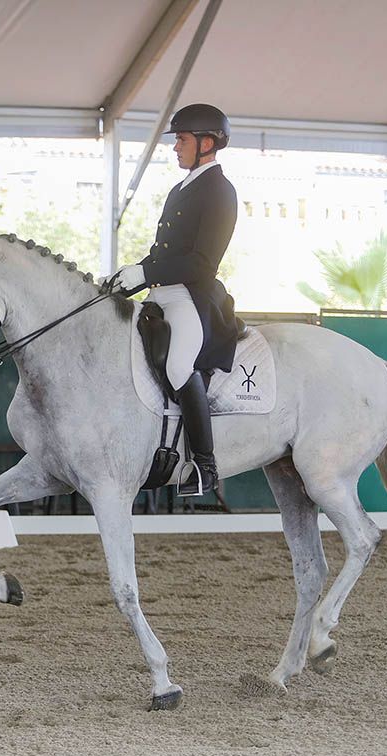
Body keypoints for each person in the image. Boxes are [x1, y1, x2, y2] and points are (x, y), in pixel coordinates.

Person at [111, 103, 240, 497]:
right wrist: (129, 276)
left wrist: (147, 274)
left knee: (179, 365)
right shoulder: (179, 189)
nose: (175, 147)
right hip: (159, 293)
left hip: (191, 297)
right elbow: (163, 252)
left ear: (207, 143)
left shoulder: (220, 191)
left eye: (181, 140)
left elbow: (202, 264)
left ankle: (205, 465)